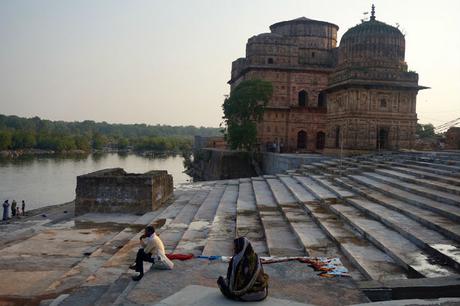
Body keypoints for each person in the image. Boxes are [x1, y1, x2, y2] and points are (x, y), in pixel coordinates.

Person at [217, 237, 269, 302]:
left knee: (221, 281)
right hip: (261, 292)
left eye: (235, 247)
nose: (234, 249)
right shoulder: (255, 257)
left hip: (245, 295)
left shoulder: (238, 260)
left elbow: (234, 286)